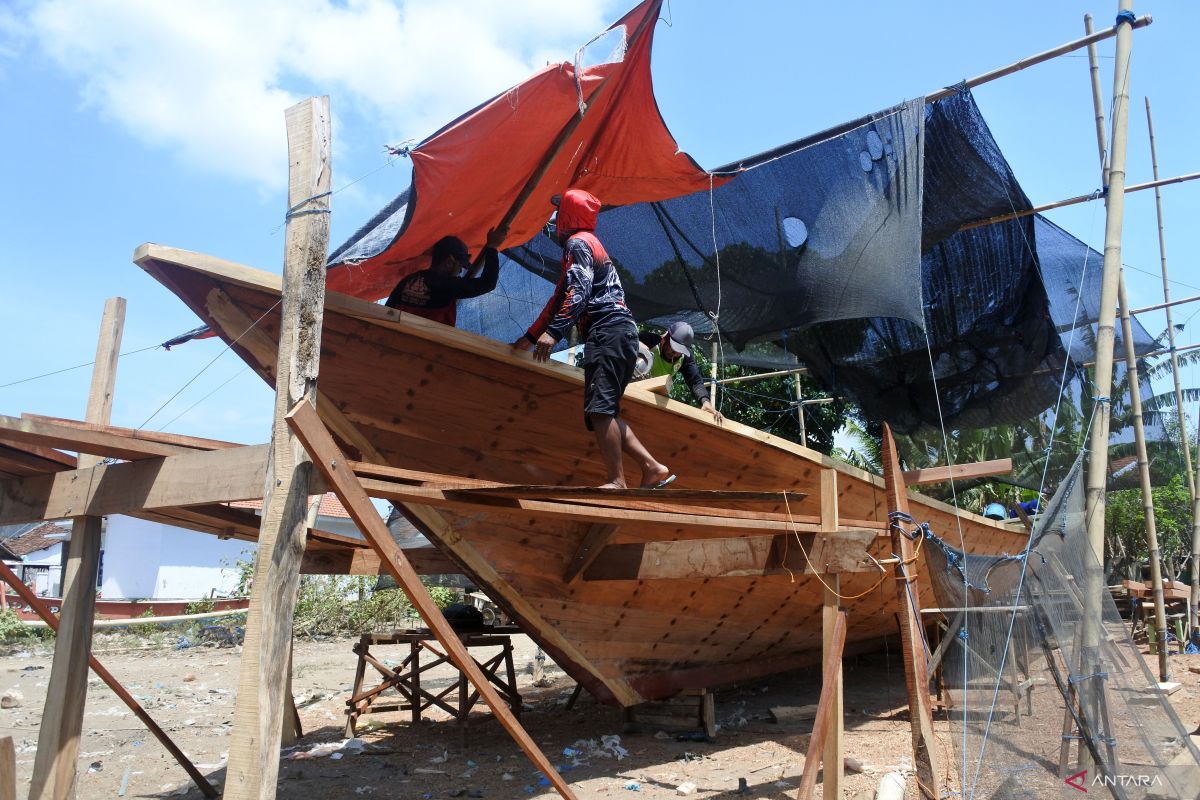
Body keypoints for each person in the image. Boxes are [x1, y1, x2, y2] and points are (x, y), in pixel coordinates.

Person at [513, 188, 673, 490]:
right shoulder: (586, 246)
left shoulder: (578, 243)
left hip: (607, 332)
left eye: (560, 212)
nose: (556, 218)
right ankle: (652, 466)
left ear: (569, 215)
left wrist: (554, 333)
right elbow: (560, 295)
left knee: (600, 411)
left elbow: (579, 291)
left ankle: (617, 481)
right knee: (604, 411)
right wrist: (530, 336)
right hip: (620, 333)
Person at [384, 228, 504, 326]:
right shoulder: (446, 284)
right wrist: (492, 247)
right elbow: (488, 283)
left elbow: (386, 312)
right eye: (460, 265)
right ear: (449, 262)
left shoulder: (407, 281)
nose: (461, 270)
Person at [635, 321, 724, 424]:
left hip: (654, 397)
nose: (674, 354)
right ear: (665, 338)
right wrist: (637, 345)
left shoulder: (684, 359)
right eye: (673, 349)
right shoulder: (649, 340)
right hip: (632, 387)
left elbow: (695, 381)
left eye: (679, 352)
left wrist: (705, 401)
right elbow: (623, 340)